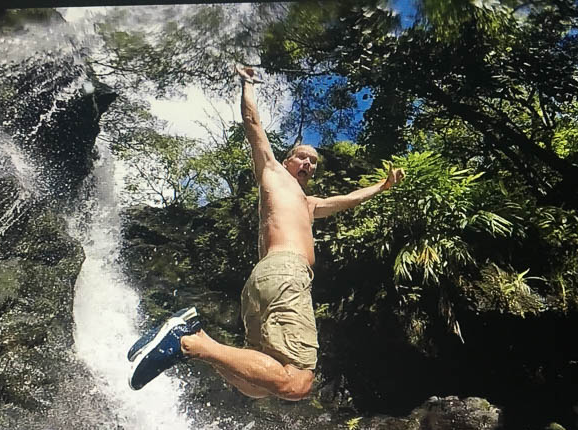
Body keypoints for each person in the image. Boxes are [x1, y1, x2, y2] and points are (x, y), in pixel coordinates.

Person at [128, 64, 404, 400]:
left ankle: (191, 333)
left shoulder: (308, 203)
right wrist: (247, 83)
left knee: (256, 386)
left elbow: (345, 201)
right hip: (285, 272)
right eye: (303, 157)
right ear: (288, 161)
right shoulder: (273, 172)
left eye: (313, 162)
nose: (309, 164)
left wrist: (382, 186)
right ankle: (190, 342)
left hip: (259, 284)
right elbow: (253, 124)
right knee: (298, 381)